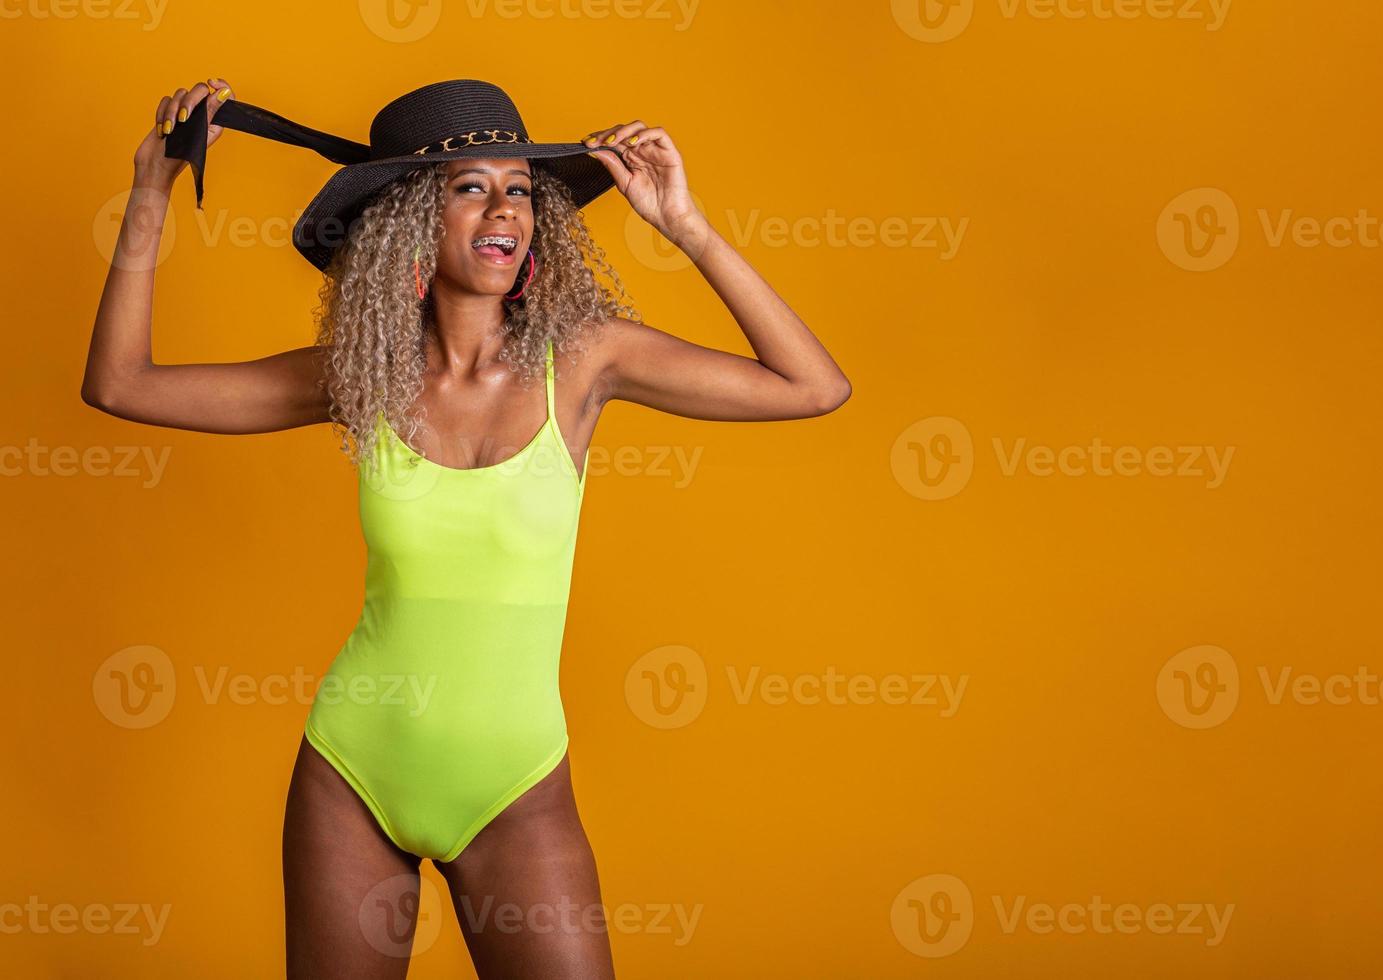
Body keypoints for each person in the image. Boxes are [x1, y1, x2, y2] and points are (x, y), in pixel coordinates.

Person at [82, 75, 851, 979]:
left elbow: (814, 387)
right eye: (470, 187)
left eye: (521, 187)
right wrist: (150, 193)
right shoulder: (360, 375)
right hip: (353, 774)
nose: (505, 208)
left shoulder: (588, 359)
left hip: (515, 789)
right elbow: (121, 385)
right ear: (413, 214)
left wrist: (686, 230)